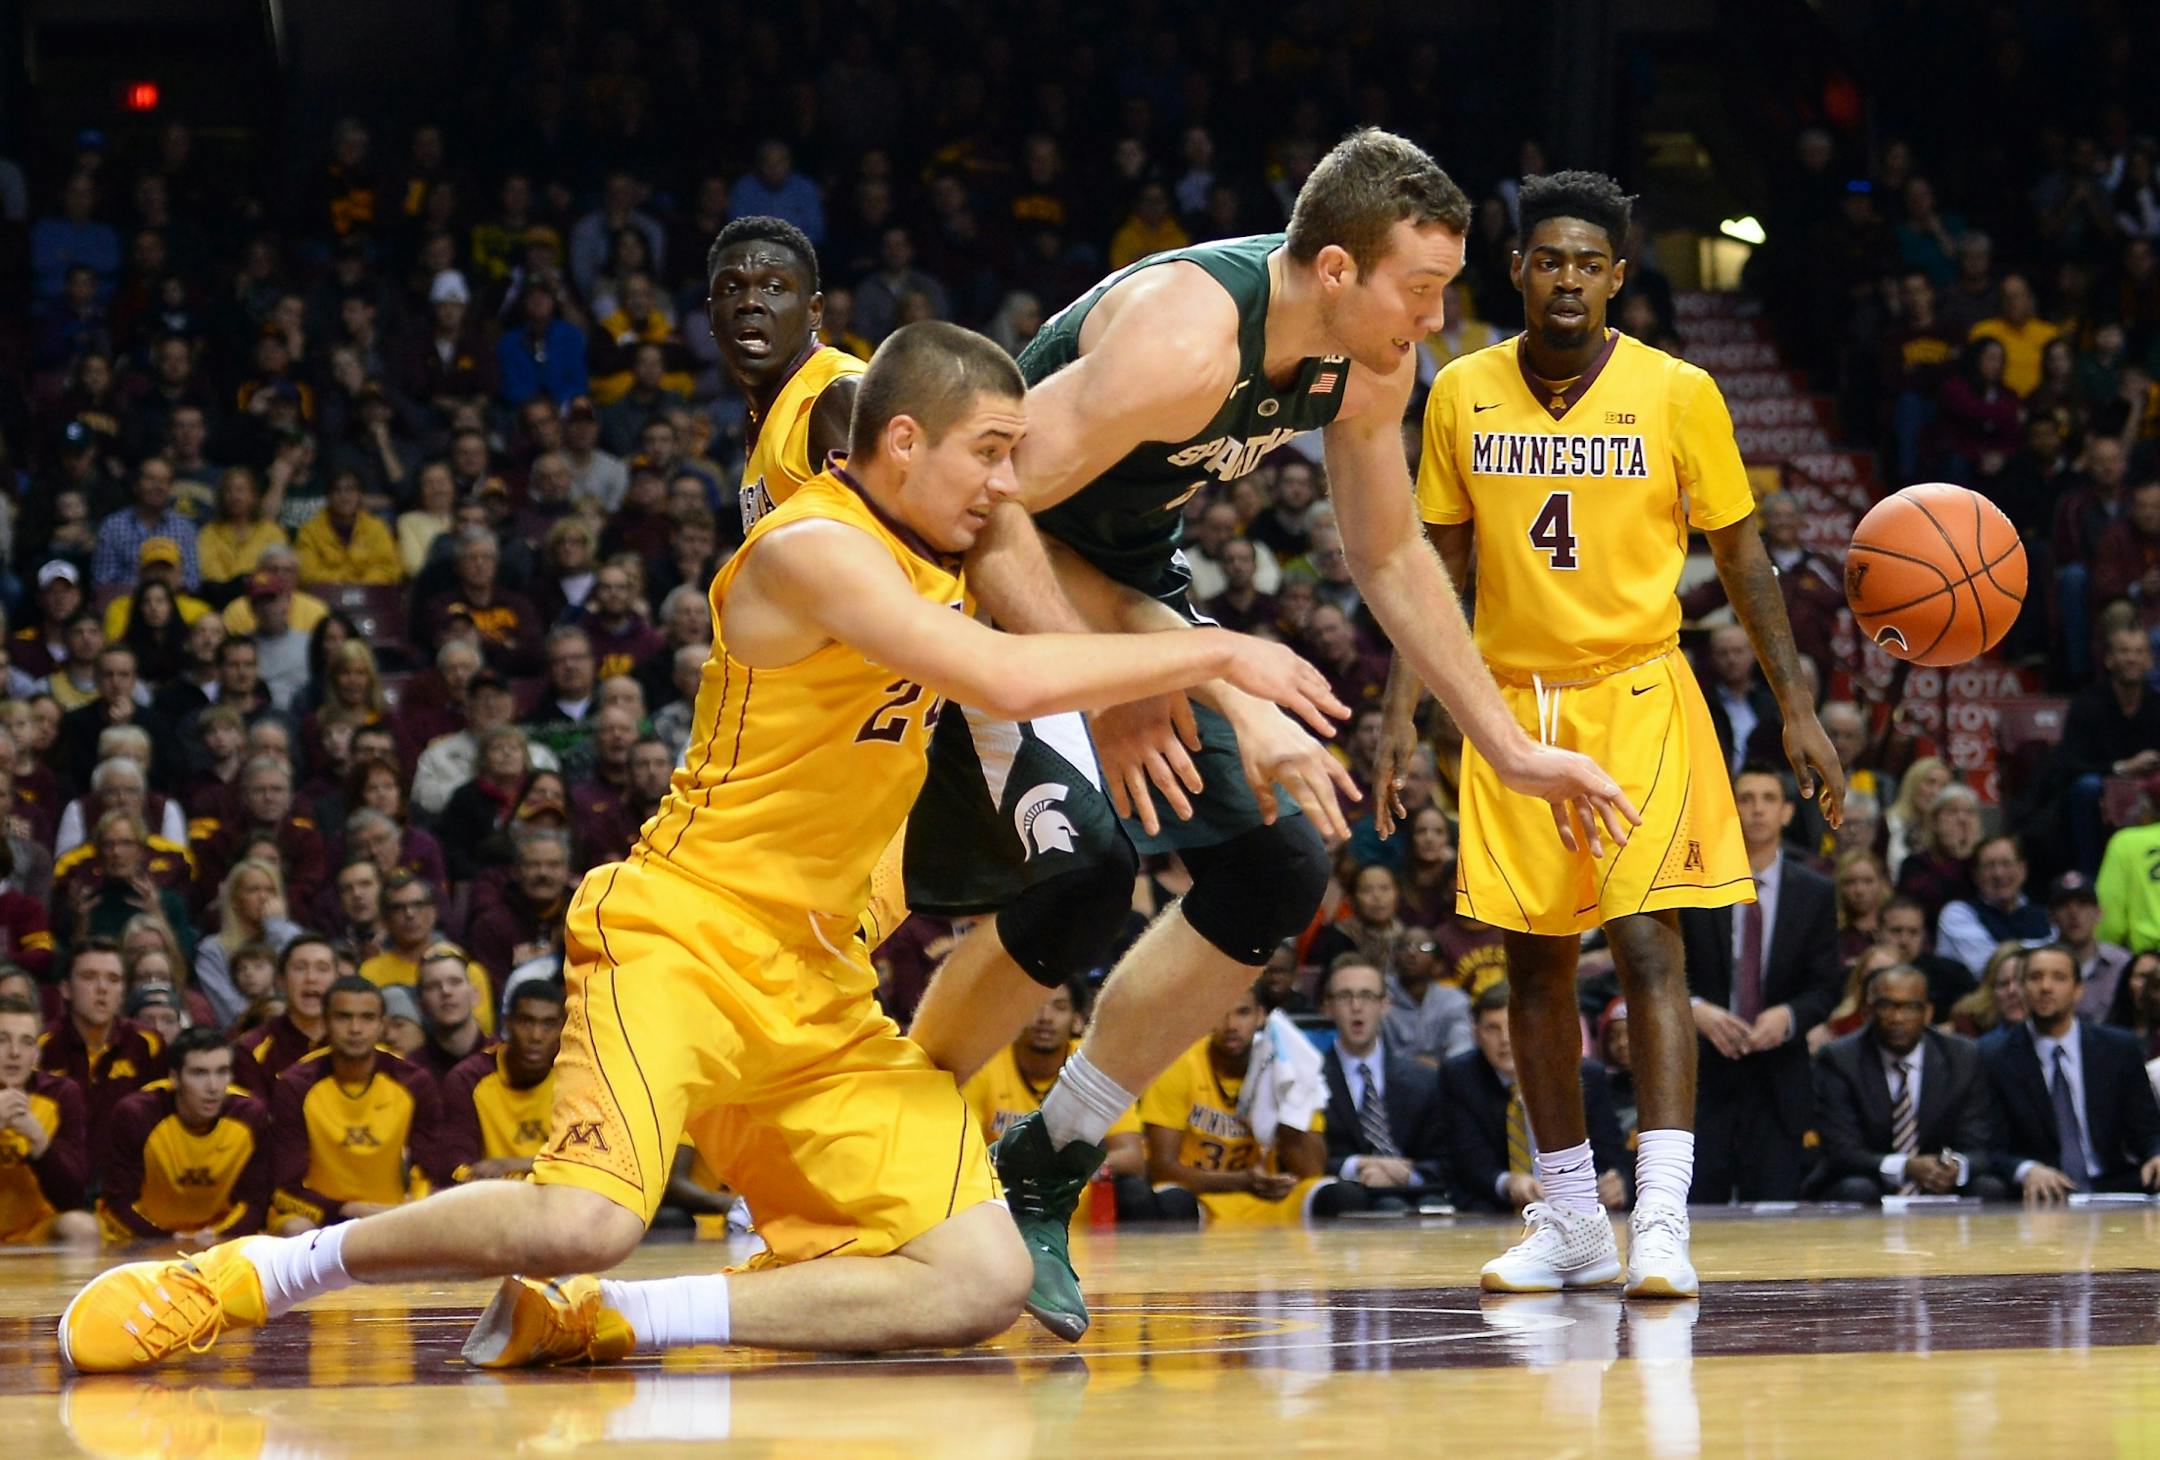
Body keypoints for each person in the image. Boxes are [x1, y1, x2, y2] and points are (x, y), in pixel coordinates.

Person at [60, 320, 1339, 1375]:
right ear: (898, 440)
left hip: (817, 977)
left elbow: (1065, 578)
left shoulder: (941, 525)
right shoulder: (813, 550)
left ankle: (612, 1320)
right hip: (683, 932)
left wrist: (1221, 693)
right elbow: (1002, 672)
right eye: (991, 454)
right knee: (584, 1216)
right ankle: (248, 1274)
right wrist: (1227, 651)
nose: (1010, 484)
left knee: (981, 1280)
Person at [903, 130, 1631, 1341]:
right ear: (1335, 270)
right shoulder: (1186, 338)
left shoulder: (1370, 359)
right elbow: (978, 508)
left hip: (1123, 593)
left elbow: (1388, 552)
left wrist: (1504, 743)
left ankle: (1049, 1155)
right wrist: (1122, 678)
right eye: (1419, 288)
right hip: (983, 586)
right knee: (1086, 873)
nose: (1438, 318)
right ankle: (891, 1131)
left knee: (1281, 866)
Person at [1376, 170, 1841, 1297]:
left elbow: (1742, 554)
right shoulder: (1461, 391)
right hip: (1509, 705)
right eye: (1550, 259)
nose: (1569, 279)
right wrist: (1399, 715)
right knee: (1534, 962)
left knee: (1647, 946)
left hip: (1638, 692)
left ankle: (1664, 1219)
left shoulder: (1679, 392)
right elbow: (1432, 567)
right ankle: (1575, 1220)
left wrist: (1795, 705)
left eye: (1590, 262)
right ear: (1517, 269)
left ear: (1619, 277)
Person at [1680, 767, 1843, 1202]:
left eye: (1768, 798)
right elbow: (1663, 971)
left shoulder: (1814, 891)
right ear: (1730, 809)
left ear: (1787, 812)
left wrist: (1789, 1017)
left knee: (1774, 1207)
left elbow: (1827, 985)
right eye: (1746, 798)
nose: (1757, 809)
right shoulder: (1695, 881)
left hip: (1779, 1074)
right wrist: (1695, 1009)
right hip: (1704, 1067)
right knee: (1699, 1206)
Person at [1138, 983, 1360, 1225]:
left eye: (1242, 1013)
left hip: (1270, 1199)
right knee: (1171, 1200)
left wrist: (1286, 1104)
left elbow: (1311, 1170)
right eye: (1220, 1013)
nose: (1231, 1025)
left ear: (1261, 1016)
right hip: (1202, 1198)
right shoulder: (1179, 1064)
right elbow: (1162, 1169)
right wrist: (1241, 1181)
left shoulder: (1284, 1067)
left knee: (1339, 1195)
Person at [958, 978, 1152, 1224]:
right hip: (999, 1204)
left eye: (1059, 1007)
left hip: (1077, 1207)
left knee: (1137, 1194)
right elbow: (962, 1152)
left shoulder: (1098, 1064)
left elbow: (1132, 1157)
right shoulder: (985, 1063)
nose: (1045, 1017)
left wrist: (1071, 1172)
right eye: (1035, 1005)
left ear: (1078, 1020)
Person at [266, 977, 450, 1234]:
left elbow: (430, 1170)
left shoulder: (414, 1082)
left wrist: (410, 1206)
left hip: (389, 1213)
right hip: (319, 1213)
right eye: (343, 1017)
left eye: (367, 1018)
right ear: (325, 1022)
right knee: (296, 1227)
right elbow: (285, 1187)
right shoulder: (295, 1085)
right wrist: (347, 1209)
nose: (355, 1029)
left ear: (382, 1025)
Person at [1810, 963, 2006, 1202]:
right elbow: (1841, 1151)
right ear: (1869, 1011)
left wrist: (1953, 1166)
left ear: (1929, 1013)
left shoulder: (1962, 1057)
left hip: (1940, 1181)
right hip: (1869, 1178)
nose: (1898, 1018)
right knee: (1857, 1188)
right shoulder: (1839, 1059)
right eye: (1886, 1006)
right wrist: (1906, 1167)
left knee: (1988, 1187)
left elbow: (1977, 1145)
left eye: (1911, 1007)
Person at [1979, 943, 2160, 1201]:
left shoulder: (2119, 1048)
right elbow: (1990, 1145)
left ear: (2078, 989)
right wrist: (2026, 1169)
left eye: (2059, 977)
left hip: (2115, 1183)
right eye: (2035, 977)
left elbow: (2147, 1129)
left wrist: (2156, 1154)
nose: (2046, 987)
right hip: (2039, 1189)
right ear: (2022, 988)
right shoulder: (1994, 1055)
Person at [1440, 981, 1629, 1216]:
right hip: (1495, 1212)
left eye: (1514, 1025)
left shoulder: (1582, 1075)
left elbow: (1612, 1155)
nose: (1505, 1039)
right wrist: (1508, 1182)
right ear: (1476, 1032)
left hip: (1577, 1209)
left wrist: (1617, 1184)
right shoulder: (1460, 1077)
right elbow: (1467, 1161)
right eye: (1492, 1028)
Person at [98, 1027, 272, 1241]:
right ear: (174, 1077)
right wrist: (168, 1239)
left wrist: (217, 1237)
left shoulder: (250, 1116)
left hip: (218, 1237)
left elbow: (255, 1204)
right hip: (145, 1236)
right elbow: (118, 1203)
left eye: (222, 1072)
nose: (213, 1086)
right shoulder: (137, 1115)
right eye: (199, 1073)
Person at [1317, 955, 1450, 1208]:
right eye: (1345, 996)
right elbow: (1302, 1161)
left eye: (1367, 996)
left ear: (1385, 1004)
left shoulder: (1424, 1079)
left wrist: (1404, 1175)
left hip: (1418, 1194)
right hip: (1346, 1200)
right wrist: (1357, 1166)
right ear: (1328, 1006)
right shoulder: (1310, 1078)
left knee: (1433, 1208)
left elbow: (1445, 1159)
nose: (1356, 1007)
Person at [37, 937, 165, 1143]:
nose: (102, 988)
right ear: (66, 989)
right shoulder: (41, 1044)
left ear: (123, 992)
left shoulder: (148, 1043)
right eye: (89, 977)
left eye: (113, 979)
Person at [440, 980, 562, 1184]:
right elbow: (459, 1169)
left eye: (548, 1024)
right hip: (489, 1198)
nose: (536, 1036)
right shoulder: (468, 1079)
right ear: (507, 1024)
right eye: (526, 1022)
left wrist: (515, 1164)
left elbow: (585, 1163)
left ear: (563, 1028)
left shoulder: (574, 1077)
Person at [0, 996, 97, 1245]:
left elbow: (74, 1197)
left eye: (26, 1042)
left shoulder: (61, 1093)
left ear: (36, 1054)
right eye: (3, 1040)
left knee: (82, 1227)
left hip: (35, 1228)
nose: (14, 1053)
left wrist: (39, 1141)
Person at [231, 934, 334, 1097]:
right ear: (281, 981)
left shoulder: (357, 1042)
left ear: (337, 980)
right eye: (300, 968)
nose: (311, 978)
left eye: (322, 969)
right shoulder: (251, 1049)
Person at [1935, 835, 2052, 978]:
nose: (1998, 873)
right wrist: (2043, 949)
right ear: (1975, 875)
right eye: (1989, 866)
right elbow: (1992, 967)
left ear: (2023, 870)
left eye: (2006, 863)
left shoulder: (2046, 916)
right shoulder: (1958, 914)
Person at [410, 942, 499, 1083]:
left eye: (455, 982)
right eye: (433, 986)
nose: (446, 991)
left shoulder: (505, 1059)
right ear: (421, 1006)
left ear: (475, 995)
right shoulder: (412, 1073)